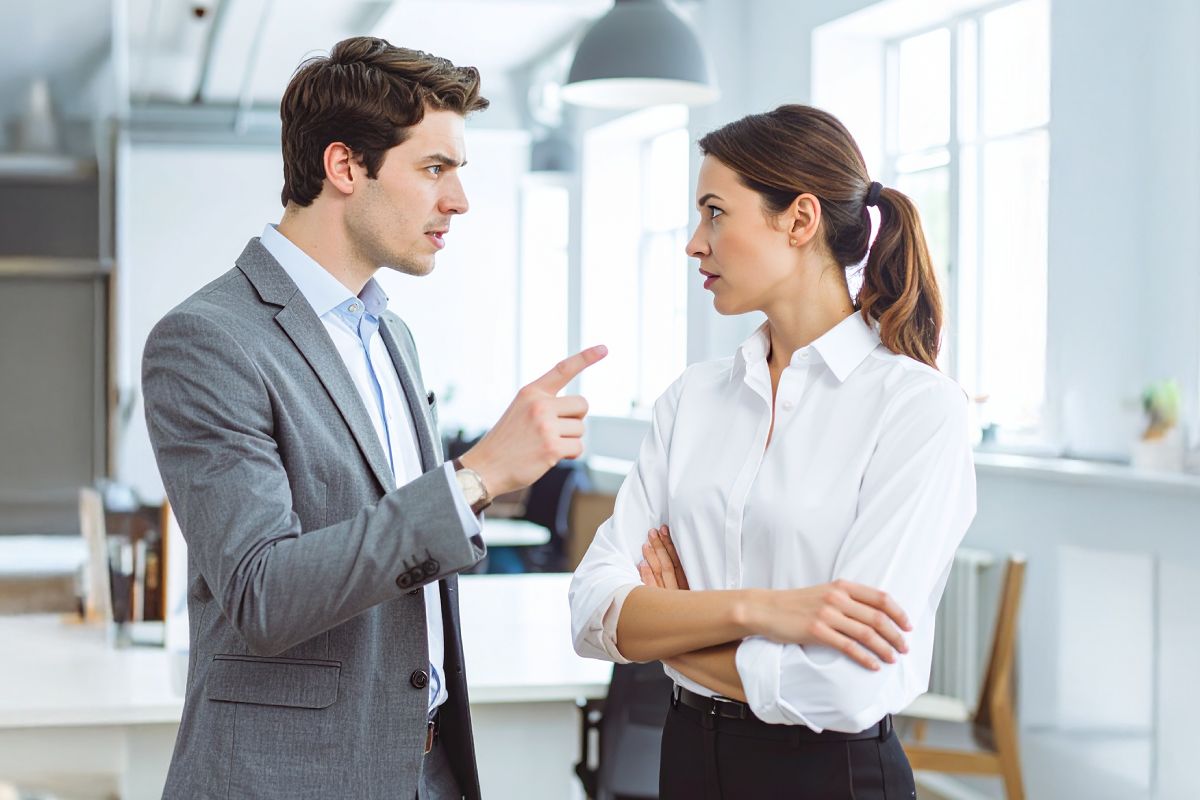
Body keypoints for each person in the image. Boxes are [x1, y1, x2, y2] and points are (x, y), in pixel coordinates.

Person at [142, 36, 605, 800]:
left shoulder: (392, 335)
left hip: (427, 764)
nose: (459, 200)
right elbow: (262, 592)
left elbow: (400, 557)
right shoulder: (207, 340)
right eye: (435, 169)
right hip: (293, 779)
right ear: (345, 167)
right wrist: (476, 477)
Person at [569, 104, 976, 799]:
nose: (694, 243)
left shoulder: (916, 408)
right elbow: (591, 611)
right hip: (685, 760)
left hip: (830, 775)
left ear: (799, 219)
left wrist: (671, 629)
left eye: (715, 213)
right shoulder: (692, 399)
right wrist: (758, 610)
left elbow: (846, 684)